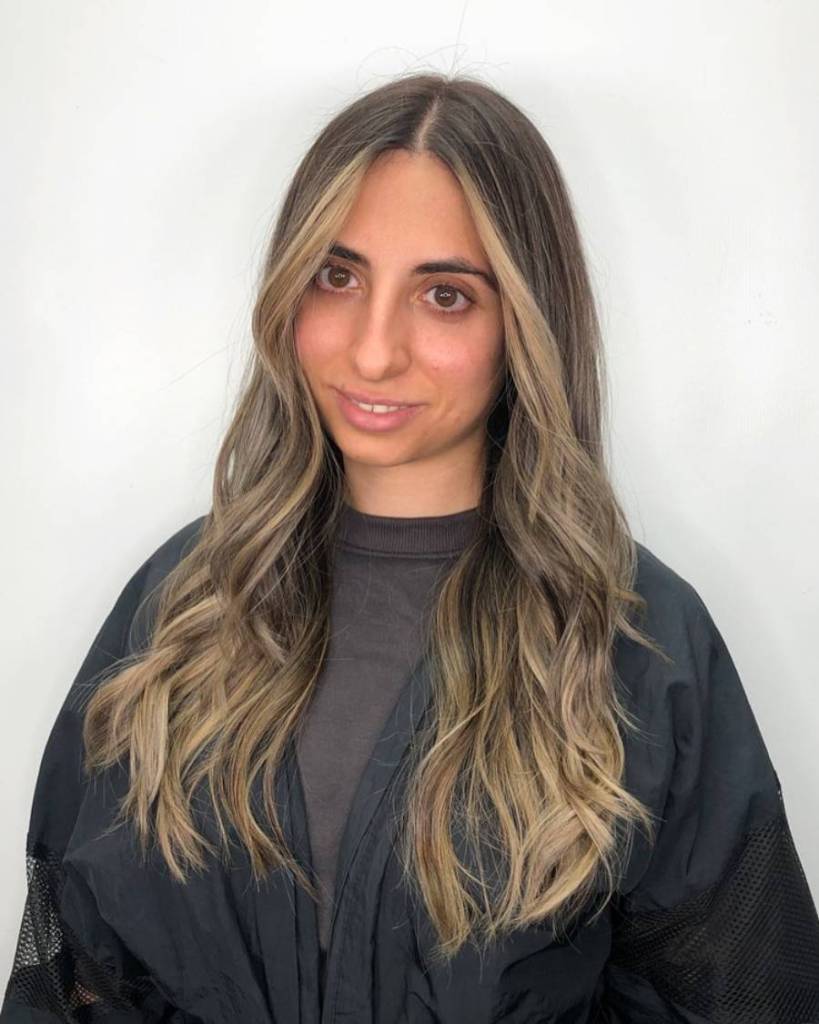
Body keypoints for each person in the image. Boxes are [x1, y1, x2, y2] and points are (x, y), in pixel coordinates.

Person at [3, 71, 818, 1024]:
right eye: (337, 277)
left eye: (443, 295)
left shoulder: (631, 640)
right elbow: (70, 973)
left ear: (525, 321)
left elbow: (739, 996)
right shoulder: (183, 604)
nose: (372, 350)